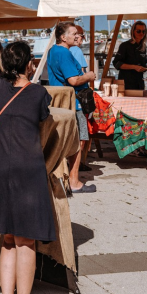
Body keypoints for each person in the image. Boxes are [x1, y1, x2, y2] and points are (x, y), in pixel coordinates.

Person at [0, 41, 55, 294]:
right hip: (28, 168)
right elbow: (44, 123)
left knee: (9, 238)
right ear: (29, 64)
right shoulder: (38, 93)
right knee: (26, 240)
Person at [46, 22, 98, 193]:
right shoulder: (64, 52)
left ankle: (62, 178)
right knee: (79, 141)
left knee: (64, 141)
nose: (78, 36)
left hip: (60, 102)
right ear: (63, 37)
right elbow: (73, 80)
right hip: (73, 103)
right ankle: (74, 182)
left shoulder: (53, 51)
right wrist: (89, 76)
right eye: (74, 33)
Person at [112, 21, 147, 92]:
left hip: (139, 83)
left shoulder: (143, 47)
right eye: (138, 31)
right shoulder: (125, 46)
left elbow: (142, 64)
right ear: (133, 32)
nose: (141, 33)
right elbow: (116, 63)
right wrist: (134, 67)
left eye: (143, 31)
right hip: (127, 84)